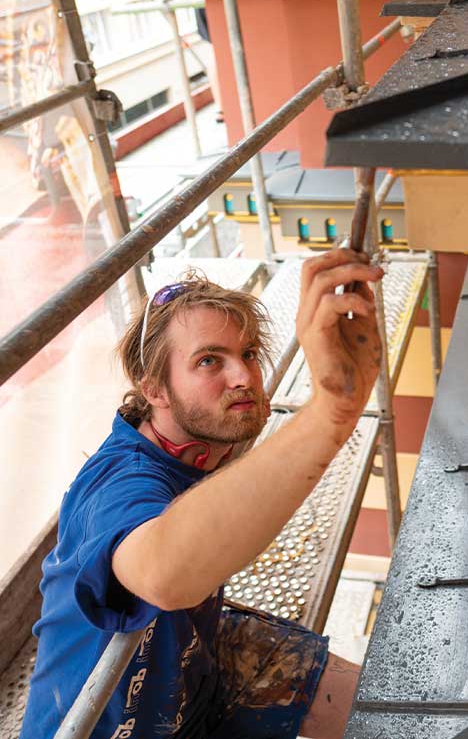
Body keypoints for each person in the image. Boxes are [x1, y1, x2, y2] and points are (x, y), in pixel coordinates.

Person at [20, 248, 385, 739]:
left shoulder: (204, 445)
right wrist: (332, 408)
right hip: (108, 726)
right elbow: (163, 575)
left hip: (196, 666)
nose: (243, 378)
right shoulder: (117, 482)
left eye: (249, 355)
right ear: (154, 389)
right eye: (209, 360)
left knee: (393, 712)